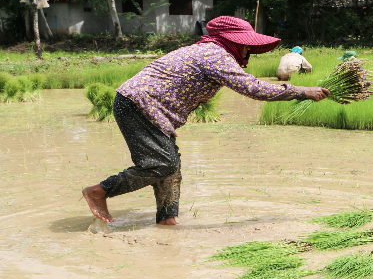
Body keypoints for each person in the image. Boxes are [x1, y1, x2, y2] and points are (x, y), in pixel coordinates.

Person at [82, 16, 330, 225]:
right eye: (245, 46)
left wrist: (165, 125)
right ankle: (99, 191)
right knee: (163, 164)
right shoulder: (215, 56)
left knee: (171, 167)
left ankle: (167, 221)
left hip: (147, 107)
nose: (248, 51)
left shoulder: (209, 52)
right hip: (138, 104)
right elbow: (255, 89)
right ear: (232, 41)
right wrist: (301, 91)